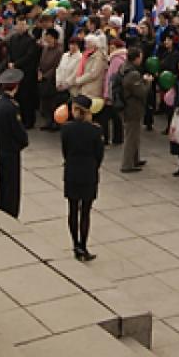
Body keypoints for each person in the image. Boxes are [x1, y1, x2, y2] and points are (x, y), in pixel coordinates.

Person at [61, 94, 104, 261]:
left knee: (72, 210)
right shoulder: (95, 130)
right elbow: (99, 155)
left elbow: (65, 151)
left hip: (71, 172)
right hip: (88, 173)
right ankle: (84, 246)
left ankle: (75, 245)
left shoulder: (66, 128)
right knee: (85, 212)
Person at [0, 67, 28, 218]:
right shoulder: (12, 107)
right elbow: (18, 131)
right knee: (12, 183)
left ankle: (0, 206)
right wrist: (23, 141)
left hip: (0, 147)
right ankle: (10, 210)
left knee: (2, 180)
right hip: (11, 150)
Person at [119, 46, 151, 173]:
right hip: (132, 107)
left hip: (127, 105)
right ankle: (127, 164)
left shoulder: (124, 68)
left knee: (135, 134)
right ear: (136, 58)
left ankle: (135, 158)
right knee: (131, 135)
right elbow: (141, 92)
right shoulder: (133, 74)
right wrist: (147, 82)